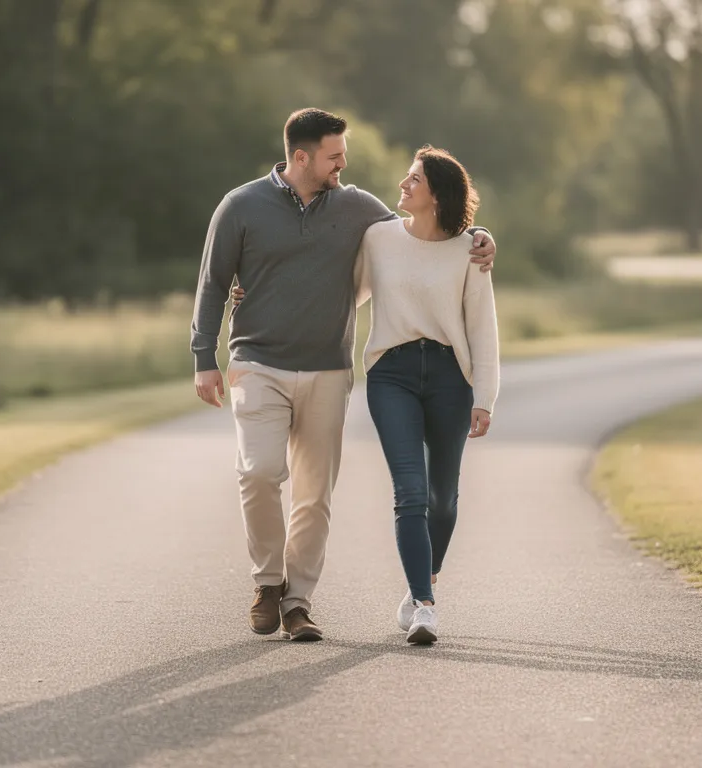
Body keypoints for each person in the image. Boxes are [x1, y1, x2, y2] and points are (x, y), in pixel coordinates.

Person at [190, 109, 496, 641]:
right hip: (258, 361)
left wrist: (482, 236)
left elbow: (427, 231)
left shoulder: (357, 208)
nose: (343, 165)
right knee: (259, 472)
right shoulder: (240, 205)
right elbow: (213, 282)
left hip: (330, 368)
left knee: (316, 495)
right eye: (334, 156)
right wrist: (203, 357)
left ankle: (297, 602)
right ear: (301, 156)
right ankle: (268, 581)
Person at [355, 145, 499, 645]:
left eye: (414, 179)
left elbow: (482, 327)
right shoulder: (378, 238)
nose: (403, 183)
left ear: (436, 195)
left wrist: (485, 396)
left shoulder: (469, 250)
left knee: (443, 498)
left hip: (448, 378)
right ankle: (424, 606)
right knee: (410, 492)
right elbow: (343, 293)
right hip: (390, 374)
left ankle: (424, 579)